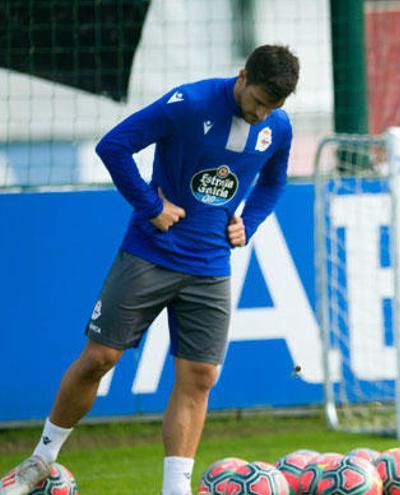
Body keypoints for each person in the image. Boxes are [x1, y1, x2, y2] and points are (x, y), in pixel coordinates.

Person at [0, 45, 300, 495]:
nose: (260, 114)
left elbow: (275, 180)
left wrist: (248, 223)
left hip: (211, 265)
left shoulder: (278, 126)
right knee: (100, 359)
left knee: (200, 377)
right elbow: (114, 146)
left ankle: (175, 490)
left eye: (271, 107)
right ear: (241, 76)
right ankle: (42, 457)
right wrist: (150, 204)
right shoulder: (191, 103)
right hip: (150, 253)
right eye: (257, 101)